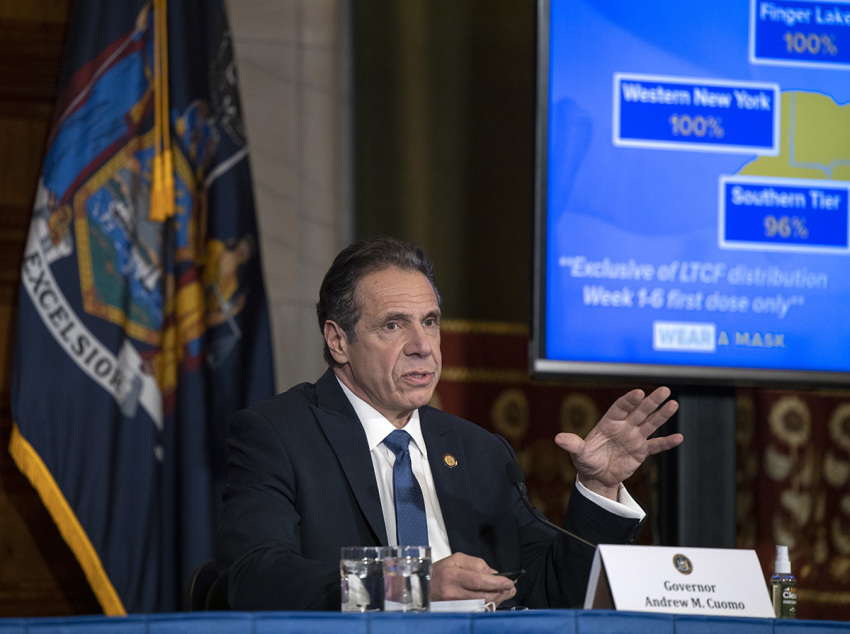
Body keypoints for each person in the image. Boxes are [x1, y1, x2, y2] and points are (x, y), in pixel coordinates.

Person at [214, 236, 683, 610]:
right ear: (338, 341)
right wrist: (411, 584)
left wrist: (598, 489)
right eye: (394, 325)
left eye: (431, 322)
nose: (423, 346)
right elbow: (256, 577)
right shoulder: (277, 433)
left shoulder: (479, 451)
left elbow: (554, 591)